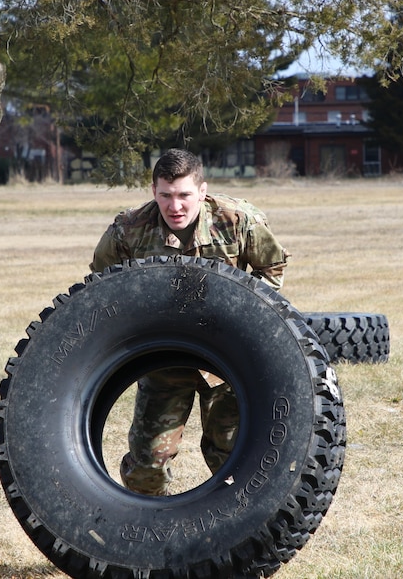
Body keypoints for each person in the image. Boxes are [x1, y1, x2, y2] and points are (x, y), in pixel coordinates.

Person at [90, 148, 289, 495]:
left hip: (226, 362)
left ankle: (232, 532)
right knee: (146, 468)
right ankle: (155, 529)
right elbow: (100, 288)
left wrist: (245, 316)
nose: (175, 206)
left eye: (184, 195)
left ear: (202, 190)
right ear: (154, 191)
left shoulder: (237, 220)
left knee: (233, 457)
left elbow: (271, 268)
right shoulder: (130, 230)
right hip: (163, 361)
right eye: (165, 195)